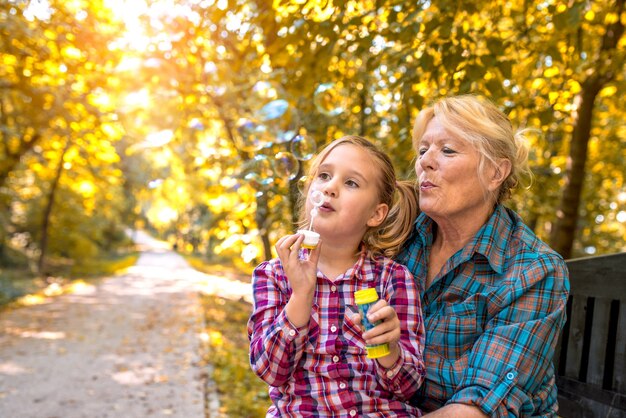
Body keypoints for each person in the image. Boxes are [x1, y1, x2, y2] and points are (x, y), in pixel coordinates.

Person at [393, 95, 570, 417]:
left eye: (447, 150)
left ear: (495, 172)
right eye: (422, 150)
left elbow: (476, 409)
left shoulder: (533, 269)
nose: (425, 162)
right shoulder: (399, 238)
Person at [248, 135, 426, 416]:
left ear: (376, 214)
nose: (330, 187)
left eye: (351, 183)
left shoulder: (393, 279)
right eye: (324, 176)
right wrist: (302, 294)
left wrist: (390, 349)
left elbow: (409, 387)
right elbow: (270, 371)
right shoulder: (273, 275)